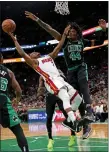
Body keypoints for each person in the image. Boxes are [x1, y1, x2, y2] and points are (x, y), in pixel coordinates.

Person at [24, 11, 107, 139]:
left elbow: (99, 42)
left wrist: (103, 30)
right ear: (67, 33)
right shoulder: (64, 41)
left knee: (84, 88)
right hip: (70, 71)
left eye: (74, 31)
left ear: (77, 32)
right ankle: (76, 122)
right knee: (76, 99)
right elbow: (49, 29)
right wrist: (37, 20)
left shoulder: (82, 41)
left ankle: (89, 114)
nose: (72, 33)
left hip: (80, 67)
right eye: (70, 31)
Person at [8, 26, 83, 132]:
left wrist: (64, 35)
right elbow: (22, 53)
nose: (34, 52)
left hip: (60, 80)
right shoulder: (34, 63)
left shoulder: (49, 57)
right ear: (31, 57)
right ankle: (74, 121)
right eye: (32, 53)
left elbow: (59, 47)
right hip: (51, 81)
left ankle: (68, 121)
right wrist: (15, 40)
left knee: (78, 99)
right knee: (65, 97)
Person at [38, 69, 78, 149]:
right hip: (50, 95)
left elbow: (64, 81)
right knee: (49, 117)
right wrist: (40, 94)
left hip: (60, 93)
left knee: (67, 115)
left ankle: (73, 135)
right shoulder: (42, 74)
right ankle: (50, 139)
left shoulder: (57, 71)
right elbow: (40, 85)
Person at [0, 52, 29, 152]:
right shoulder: (9, 72)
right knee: (17, 129)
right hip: (3, 100)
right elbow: (19, 90)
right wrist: (17, 99)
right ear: (2, 60)